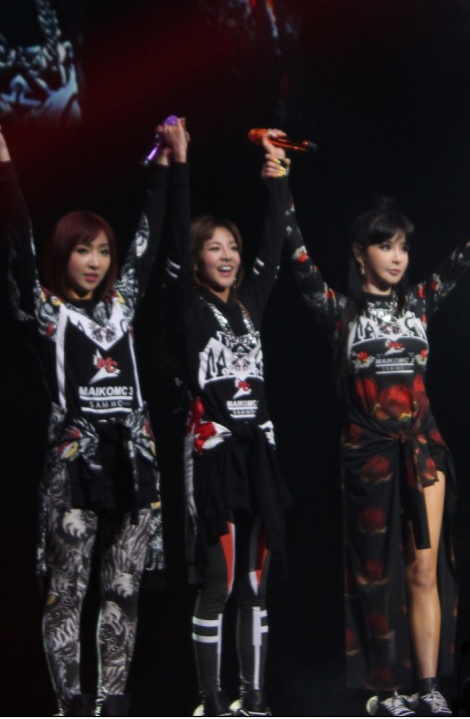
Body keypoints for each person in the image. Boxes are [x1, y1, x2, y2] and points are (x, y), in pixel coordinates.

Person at [261, 147, 470, 717]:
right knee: (378, 575)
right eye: (385, 246)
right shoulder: (338, 311)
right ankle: (388, 690)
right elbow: (295, 251)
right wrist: (279, 184)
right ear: (360, 252)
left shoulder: (420, 303)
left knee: (424, 569)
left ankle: (429, 686)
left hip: (423, 448)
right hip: (368, 456)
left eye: (402, 247)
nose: (397, 257)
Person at [0, 120, 187, 716]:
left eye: (103, 251)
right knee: (67, 593)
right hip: (75, 467)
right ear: (64, 253)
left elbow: (148, 239)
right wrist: (5, 165)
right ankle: (71, 706)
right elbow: (18, 232)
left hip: (134, 462)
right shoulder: (46, 311)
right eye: (84, 249)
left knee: (123, 591)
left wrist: (164, 166)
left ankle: (112, 703)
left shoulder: (121, 304)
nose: (97, 261)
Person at [165, 130, 291, 717]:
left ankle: (254, 699)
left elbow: (274, 242)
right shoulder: (190, 308)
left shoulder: (250, 303)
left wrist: (277, 179)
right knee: (218, 582)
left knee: (255, 587)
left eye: (232, 247)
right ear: (196, 259)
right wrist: (181, 165)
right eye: (214, 247)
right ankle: (211, 702)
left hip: (257, 454)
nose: (227, 255)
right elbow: (175, 231)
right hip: (213, 455)